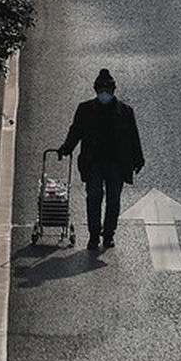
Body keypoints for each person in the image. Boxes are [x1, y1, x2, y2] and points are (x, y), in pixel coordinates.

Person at [57, 68, 146, 251]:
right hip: (93, 163)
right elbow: (76, 132)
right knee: (94, 197)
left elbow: (133, 137)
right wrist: (66, 148)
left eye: (108, 90)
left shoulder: (125, 112)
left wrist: (138, 159)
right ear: (96, 90)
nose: (104, 94)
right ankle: (93, 235)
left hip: (117, 164)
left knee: (113, 200)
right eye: (101, 90)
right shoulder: (85, 110)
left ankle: (108, 235)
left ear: (113, 91)